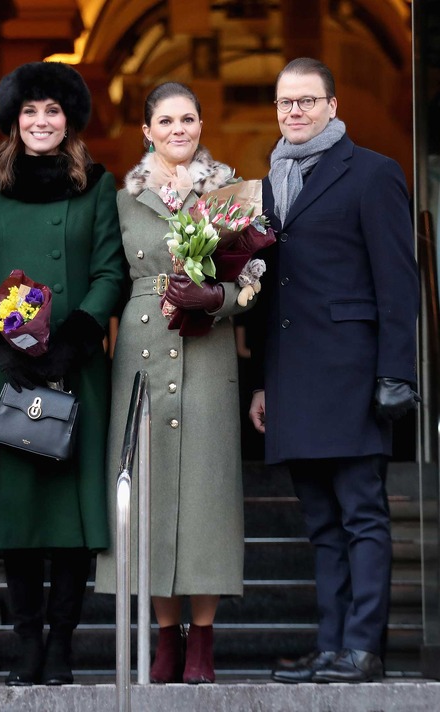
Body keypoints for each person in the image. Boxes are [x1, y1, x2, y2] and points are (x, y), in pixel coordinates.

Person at [0, 61, 124, 686]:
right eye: (30, 111)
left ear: (69, 120)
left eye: (52, 111)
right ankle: (25, 641)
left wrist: (74, 339)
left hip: (73, 371)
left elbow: (111, 272)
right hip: (10, 371)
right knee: (19, 516)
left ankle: (61, 644)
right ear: (14, 121)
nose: (41, 121)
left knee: (68, 518)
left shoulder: (97, 186)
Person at [247, 57, 420, 684]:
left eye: (307, 101)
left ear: (333, 106)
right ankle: (331, 645)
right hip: (293, 376)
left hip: (353, 373)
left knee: (362, 514)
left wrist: (396, 372)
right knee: (321, 523)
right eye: (285, 103)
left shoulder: (373, 173)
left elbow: (399, 281)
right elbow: (266, 292)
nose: (294, 112)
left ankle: (363, 648)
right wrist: (263, 380)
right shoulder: (264, 187)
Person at [95, 81, 255, 684]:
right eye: (166, 121)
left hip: (208, 354)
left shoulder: (230, 193)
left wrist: (218, 297)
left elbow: (253, 279)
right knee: (151, 495)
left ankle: (203, 640)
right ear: (146, 130)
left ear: (200, 124)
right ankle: (165, 636)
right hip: (140, 355)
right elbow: (109, 278)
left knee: (206, 493)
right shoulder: (121, 201)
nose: (178, 129)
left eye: (188, 119)